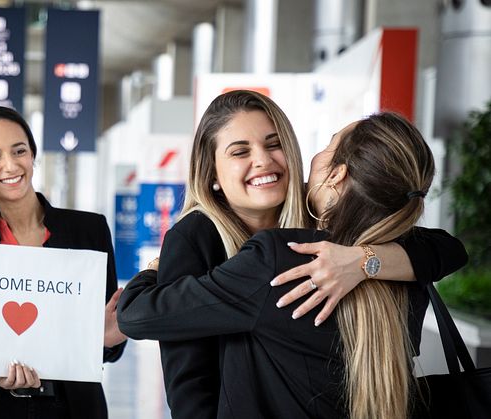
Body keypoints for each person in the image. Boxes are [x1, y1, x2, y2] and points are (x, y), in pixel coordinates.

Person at [117, 112, 468, 419]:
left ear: (337, 175)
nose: (264, 161)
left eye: (328, 145)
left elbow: (135, 313)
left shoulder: (278, 259)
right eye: (240, 151)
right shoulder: (407, 269)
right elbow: (451, 249)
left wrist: (154, 266)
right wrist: (366, 261)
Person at [0, 105, 126, 419]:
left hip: (74, 406)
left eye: (19, 150)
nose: (10, 165)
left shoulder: (89, 231)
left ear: (32, 155)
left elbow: (107, 341)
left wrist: (106, 340)